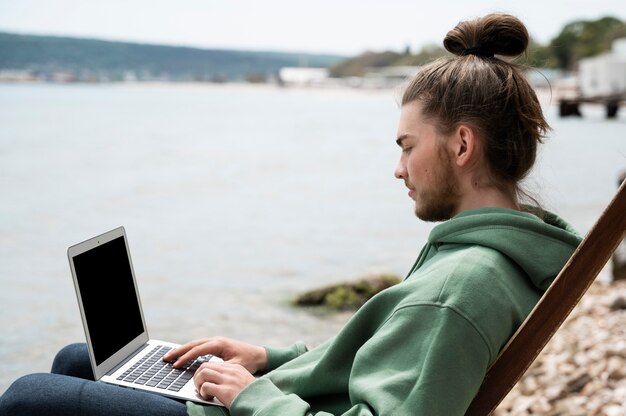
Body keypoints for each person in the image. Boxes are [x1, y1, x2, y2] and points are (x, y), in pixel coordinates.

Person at [0, 13, 582, 416]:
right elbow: (380, 363)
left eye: (406, 146)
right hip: (281, 400)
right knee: (82, 360)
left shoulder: (461, 286)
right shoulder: (491, 255)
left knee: (29, 396)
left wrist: (252, 396)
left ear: (460, 145)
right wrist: (268, 359)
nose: (399, 170)